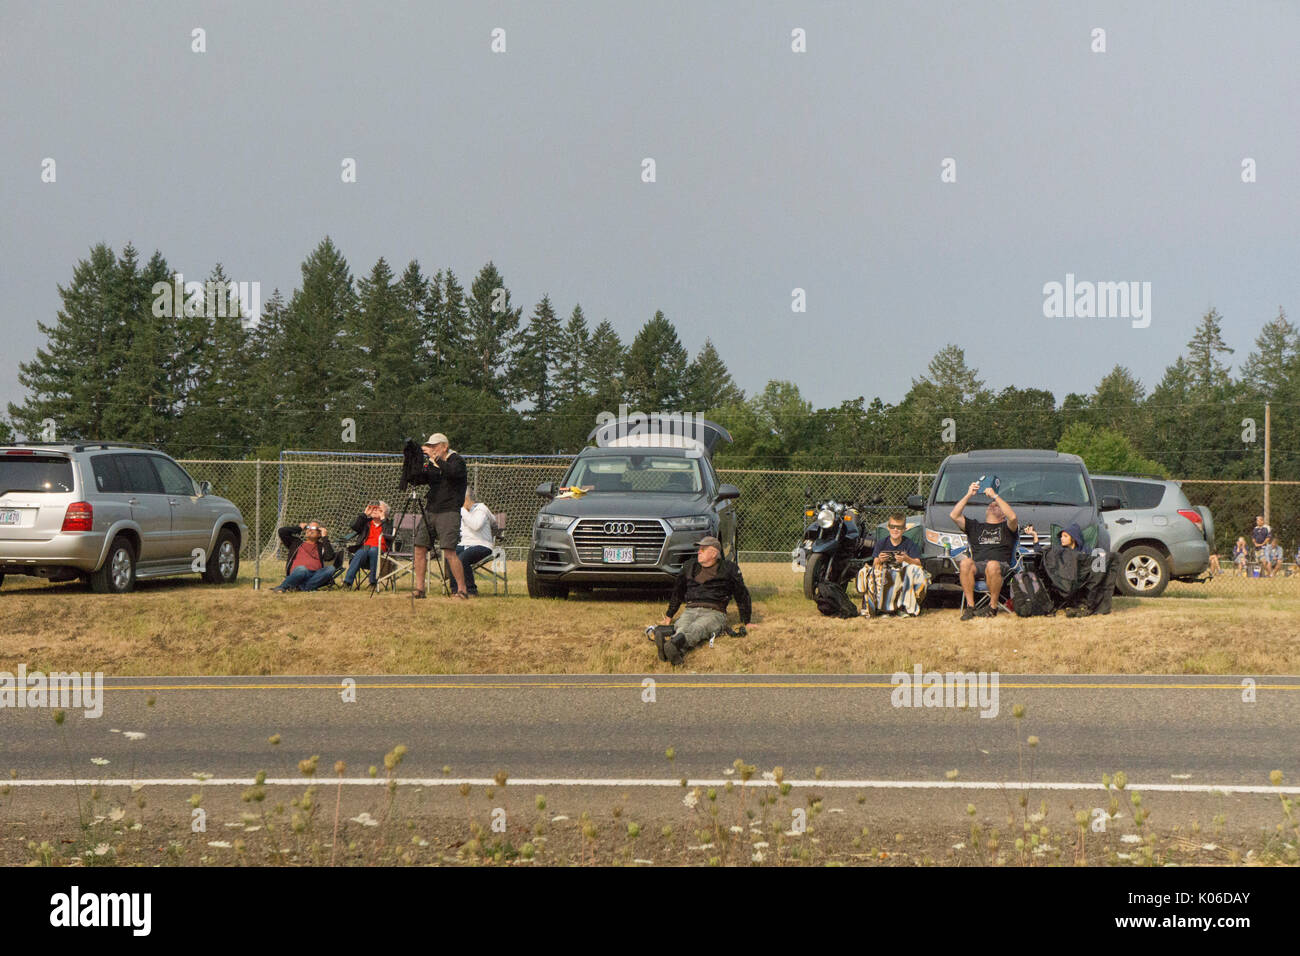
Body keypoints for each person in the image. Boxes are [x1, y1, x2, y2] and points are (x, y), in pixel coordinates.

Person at [653, 536, 752, 666]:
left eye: (703, 549)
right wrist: (669, 615)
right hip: (691, 609)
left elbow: (742, 594)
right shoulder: (689, 566)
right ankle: (674, 648)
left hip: (715, 612)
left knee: (699, 628)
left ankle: (671, 646)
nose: (699, 551)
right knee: (682, 626)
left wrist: (747, 621)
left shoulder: (729, 569)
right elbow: (678, 591)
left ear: (714, 553)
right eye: (699, 549)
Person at [405, 433, 469, 599]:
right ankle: (420, 589)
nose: (432, 450)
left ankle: (462, 590)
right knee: (419, 548)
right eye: (430, 447)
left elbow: (453, 473)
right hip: (430, 510)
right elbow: (419, 479)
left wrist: (436, 459)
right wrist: (415, 460)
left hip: (449, 511)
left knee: (449, 551)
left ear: (444, 446)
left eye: (434, 447)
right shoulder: (433, 464)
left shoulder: (457, 460)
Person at [949, 480, 1019, 620]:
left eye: (997, 506)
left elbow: (1013, 516)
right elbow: (954, 515)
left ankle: (992, 607)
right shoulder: (975, 526)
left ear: (1003, 514)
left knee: (992, 564)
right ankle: (970, 607)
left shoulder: (1007, 527)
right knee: (965, 563)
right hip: (979, 565)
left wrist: (995, 496)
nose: (993, 505)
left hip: (1000, 566)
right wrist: (969, 494)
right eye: (991, 504)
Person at [859, 513, 928, 616]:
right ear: (888, 527)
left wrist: (906, 559)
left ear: (904, 529)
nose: (895, 530)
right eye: (892, 527)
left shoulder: (909, 544)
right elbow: (874, 564)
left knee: (914, 571)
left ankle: (904, 608)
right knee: (867, 572)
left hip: (902, 572)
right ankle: (879, 608)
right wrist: (880, 560)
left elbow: (918, 563)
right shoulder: (881, 543)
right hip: (885, 571)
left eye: (899, 527)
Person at [447, 492, 495, 596]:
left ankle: (471, 590)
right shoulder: (463, 511)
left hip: (482, 544)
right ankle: (455, 589)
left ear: (467, 499)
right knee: (450, 555)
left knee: (462, 558)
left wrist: (462, 510)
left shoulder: (481, 509)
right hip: (465, 543)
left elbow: (476, 525)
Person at [272, 520, 337, 592]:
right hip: (298, 573)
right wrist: (299, 528)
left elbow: (329, 557)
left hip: (315, 575)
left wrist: (325, 537)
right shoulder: (296, 543)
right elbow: (282, 531)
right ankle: (282, 587)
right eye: (308, 527)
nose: (310, 529)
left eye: (314, 528)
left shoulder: (321, 546)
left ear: (319, 534)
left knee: (330, 569)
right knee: (302, 569)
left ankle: (301, 588)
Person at [342, 501, 393, 589]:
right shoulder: (366, 522)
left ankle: (373, 583)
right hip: (364, 551)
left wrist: (383, 519)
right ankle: (347, 583)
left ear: (385, 513)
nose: (375, 510)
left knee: (373, 550)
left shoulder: (389, 524)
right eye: (373, 508)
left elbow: (389, 535)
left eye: (379, 509)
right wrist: (364, 514)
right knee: (361, 552)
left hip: (382, 554)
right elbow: (355, 526)